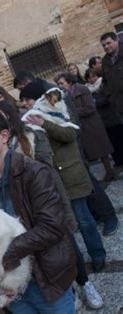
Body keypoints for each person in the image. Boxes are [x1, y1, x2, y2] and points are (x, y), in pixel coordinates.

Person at [0, 101, 103, 310]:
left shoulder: (32, 134)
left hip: (47, 202)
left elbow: (46, 166)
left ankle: (85, 283)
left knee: (68, 248)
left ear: (8, 115)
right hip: (22, 211)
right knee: (44, 258)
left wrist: (21, 165)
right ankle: (66, 291)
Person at [0, 108, 77, 313]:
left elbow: (52, 228)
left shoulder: (34, 172)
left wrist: (2, 251)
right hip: (11, 283)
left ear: (4, 136)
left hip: (47, 279)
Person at [20, 86, 107, 272]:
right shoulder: (30, 119)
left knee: (84, 219)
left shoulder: (58, 110)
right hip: (52, 181)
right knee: (65, 225)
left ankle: (98, 254)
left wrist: (44, 124)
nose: (24, 104)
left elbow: (70, 134)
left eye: (27, 99)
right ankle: (77, 264)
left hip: (70, 176)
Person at [55, 72, 115, 181]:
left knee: (101, 151)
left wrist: (72, 113)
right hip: (79, 127)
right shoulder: (63, 96)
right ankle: (89, 178)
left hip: (91, 124)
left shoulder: (82, 89)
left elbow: (90, 108)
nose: (60, 86)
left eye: (61, 83)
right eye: (58, 84)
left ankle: (109, 171)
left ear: (69, 82)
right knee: (84, 152)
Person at [85, 68, 123, 167]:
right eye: (89, 78)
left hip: (112, 116)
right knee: (110, 141)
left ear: (98, 76)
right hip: (101, 120)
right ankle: (117, 160)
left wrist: (95, 103)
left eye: (94, 76)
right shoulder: (87, 90)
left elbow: (108, 98)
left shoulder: (103, 85)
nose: (92, 79)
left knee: (119, 138)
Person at [100, 32, 123, 122]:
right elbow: (105, 82)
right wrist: (110, 97)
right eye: (103, 45)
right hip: (119, 107)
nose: (106, 47)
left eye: (108, 43)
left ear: (116, 40)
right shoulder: (105, 61)